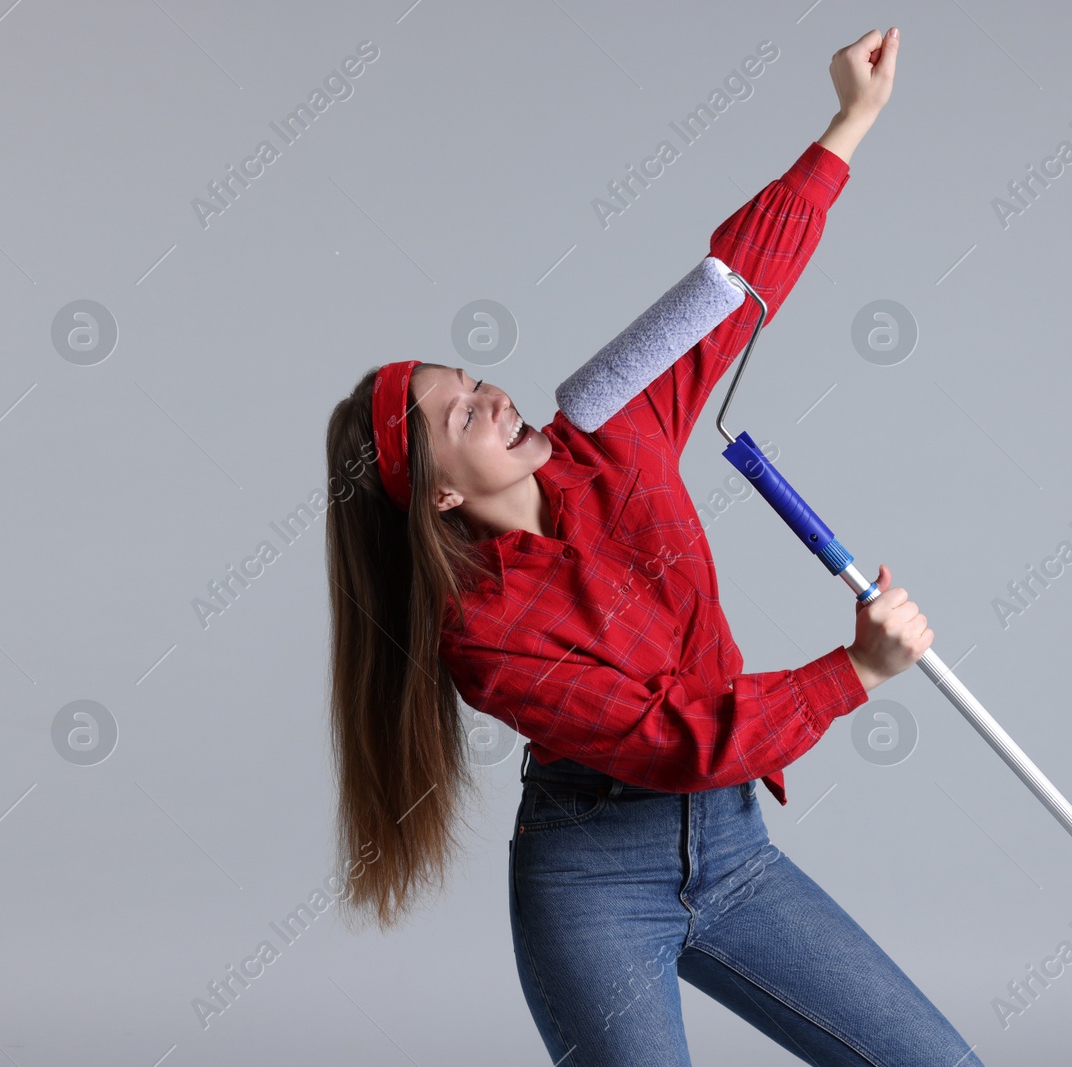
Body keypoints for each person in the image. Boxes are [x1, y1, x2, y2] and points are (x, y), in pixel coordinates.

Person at [323, 26, 983, 1067]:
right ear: (440, 492)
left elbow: (726, 289)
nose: (492, 393)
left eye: (472, 377)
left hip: (735, 853)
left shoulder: (608, 421)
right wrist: (856, 670)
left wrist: (848, 122)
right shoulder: (481, 635)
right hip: (594, 881)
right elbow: (678, 736)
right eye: (459, 413)